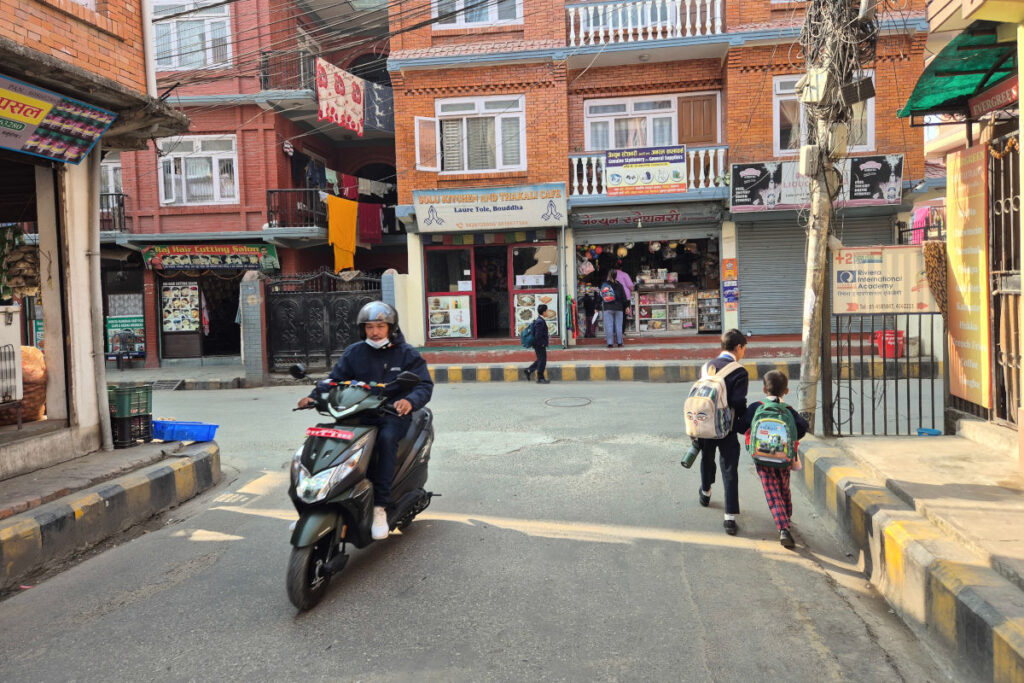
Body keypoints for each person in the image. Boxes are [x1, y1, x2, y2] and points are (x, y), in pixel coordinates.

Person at [296, 301, 433, 541]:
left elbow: (424, 384)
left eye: (380, 326)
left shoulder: (407, 353)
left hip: (391, 414)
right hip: (356, 413)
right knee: (327, 440)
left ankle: (380, 507)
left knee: (386, 439)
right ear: (363, 329)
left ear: (391, 328)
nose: (375, 332)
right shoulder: (354, 352)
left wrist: (409, 401)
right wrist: (314, 397)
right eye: (369, 327)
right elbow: (334, 380)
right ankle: (314, 501)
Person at [738, 370, 808, 549]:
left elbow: (740, 427)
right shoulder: (789, 411)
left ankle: (783, 528)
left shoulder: (756, 407)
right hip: (783, 458)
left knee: (772, 491)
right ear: (786, 391)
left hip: (761, 457)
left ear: (764, 389)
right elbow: (802, 428)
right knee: (784, 486)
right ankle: (787, 516)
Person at [697, 329, 749, 535]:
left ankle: (705, 492)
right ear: (738, 347)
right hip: (727, 428)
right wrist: (744, 421)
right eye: (744, 349)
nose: (744, 352)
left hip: (705, 424)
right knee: (729, 468)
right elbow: (738, 401)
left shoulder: (706, 366)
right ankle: (729, 517)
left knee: (706, 458)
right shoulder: (739, 371)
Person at [600, 269, 628, 348]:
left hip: (608, 308)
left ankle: (610, 343)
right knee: (619, 326)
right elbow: (624, 297)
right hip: (619, 308)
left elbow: (601, 296)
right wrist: (626, 306)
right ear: (616, 276)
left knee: (609, 326)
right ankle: (619, 343)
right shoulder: (620, 285)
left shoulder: (605, 285)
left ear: (609, 276)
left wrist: (596, 307)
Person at [523, 304, 551, 384]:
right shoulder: (540, 322)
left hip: (539, 344)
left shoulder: (540, 320)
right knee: (542, 361)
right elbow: (538, 335)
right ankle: (540, 378)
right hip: (539, 345)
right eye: (547, 311)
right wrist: (542, 344)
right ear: (544, 312)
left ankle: (529, 370)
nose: (548, 312)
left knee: (540, 360)